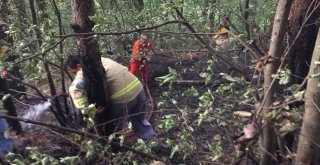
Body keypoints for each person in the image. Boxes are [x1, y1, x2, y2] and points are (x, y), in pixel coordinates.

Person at [65, 55, 154, 140]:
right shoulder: (101, 60)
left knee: (114, 126)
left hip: (123, 98)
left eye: (74, 72)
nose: (75, 75)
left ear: (78, 66)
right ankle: (149, 140)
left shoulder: (84, 70)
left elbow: (74, 88)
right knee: (139, 119)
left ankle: (115, 149)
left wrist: (87, 109)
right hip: (138, 89)